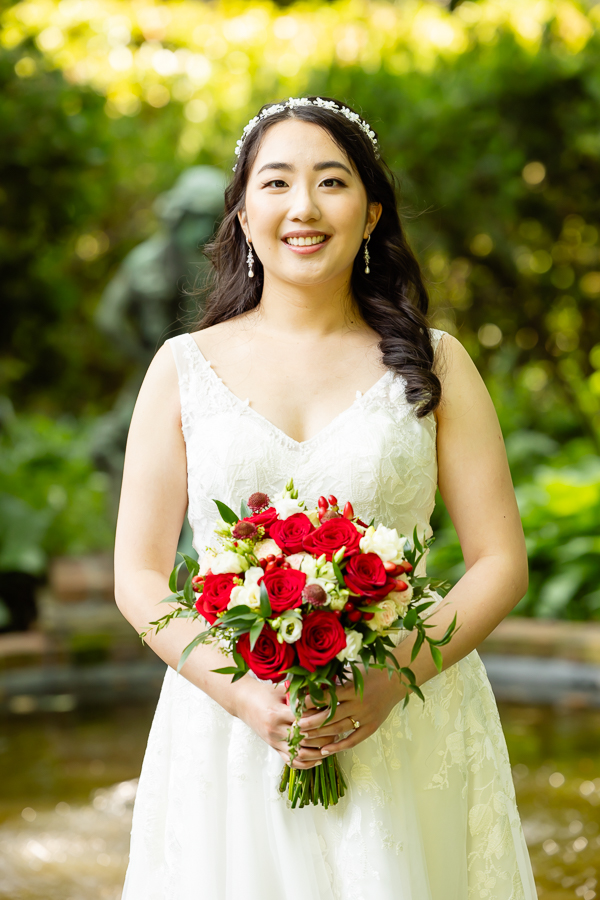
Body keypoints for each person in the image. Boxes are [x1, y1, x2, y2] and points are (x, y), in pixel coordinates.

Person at [114, 96, 537, 899]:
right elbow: (136, 575)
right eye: (275, 183)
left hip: (407, 716)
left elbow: (499, 562)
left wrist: (390, 681)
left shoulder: (435, 363)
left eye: (331, 182)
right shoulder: (181, 368)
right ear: (241, 212)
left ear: (371, 212)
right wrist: (242, 697)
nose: (302, 208)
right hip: (229, 728)